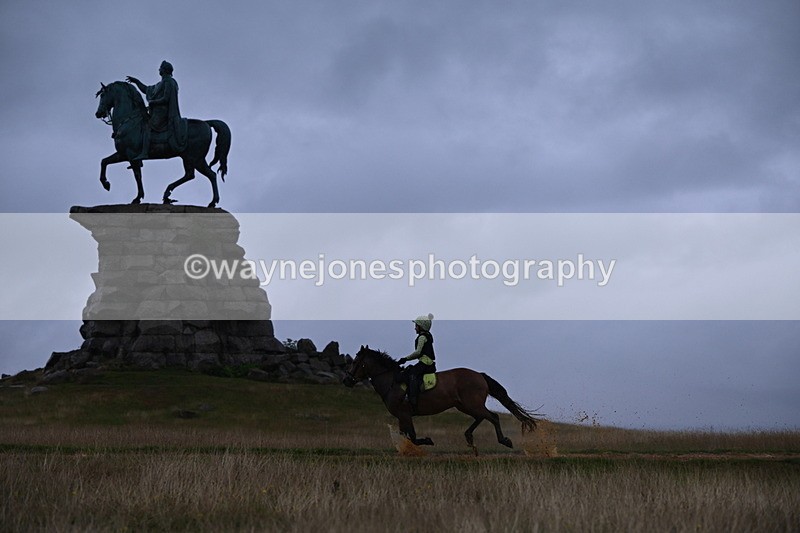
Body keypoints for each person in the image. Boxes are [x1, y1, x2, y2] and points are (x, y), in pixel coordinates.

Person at [126, 60, 186, 159]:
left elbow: (166, 98)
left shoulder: (169, 82)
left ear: (164, 70)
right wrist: (136, 81)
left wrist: (153, 102)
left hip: (163, 113)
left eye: (161, 68)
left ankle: (144, 153)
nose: (159, 69)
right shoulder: (160, 83)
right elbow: (146, 89)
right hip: (157, 112)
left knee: (147, 126)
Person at [398, 313, 436, 413]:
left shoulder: (422, 337)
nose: (415, 328)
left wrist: (405, 359)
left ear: (421, 326)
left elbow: (418, 352)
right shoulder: (427, 336)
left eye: (416, 326)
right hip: (428, 363)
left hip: (425, 363)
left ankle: (413, 399)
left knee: (412, 374)